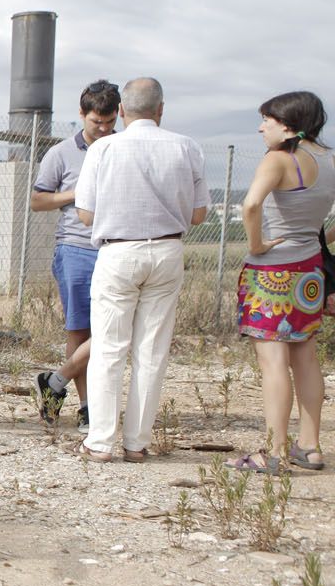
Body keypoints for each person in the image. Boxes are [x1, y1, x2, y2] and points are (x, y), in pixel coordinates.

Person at [74, 77, 209, 462]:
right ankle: (137, 443)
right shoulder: (187, 147)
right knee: (152, 350)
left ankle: (99, 442)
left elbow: (85, 214)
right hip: (167, 250)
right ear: (161, 109)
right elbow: (199, 214)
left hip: (119, 252)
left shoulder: (103, 149)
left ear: (120, 111)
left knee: (109, 349)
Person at [230, 91, 335, 473]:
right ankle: (310, 447)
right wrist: (311, 235)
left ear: (288, 126)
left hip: (272, 271)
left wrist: (257, 244)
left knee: (273, 359)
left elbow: (251, 204)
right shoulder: (329, 159)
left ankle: (273, 453)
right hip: (309, 270)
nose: (261, 127)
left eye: (267, 121)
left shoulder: (278, 159)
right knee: (305, 355)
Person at [32, 80, 120, 432]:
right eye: (96, 122)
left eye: (109, 122)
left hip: (116, 247)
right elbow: (38, 200)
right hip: (76, 249)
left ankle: (57, 380)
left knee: (113, 329)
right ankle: (87, 407)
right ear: (82, 115)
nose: (102, 129)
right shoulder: (60, 154)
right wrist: (77, 194)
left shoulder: (121, 148)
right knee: (79, 329)